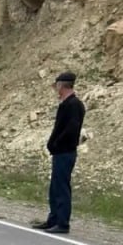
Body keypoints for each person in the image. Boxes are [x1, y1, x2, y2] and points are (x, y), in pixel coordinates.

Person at [33, 72, 85, 234]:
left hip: (65, 151)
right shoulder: (66, 104)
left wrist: (56, 143)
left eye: (57, 85)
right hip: (60, 151)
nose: (56, 89)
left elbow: (71, 130)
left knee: (61, 187)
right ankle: (53, 219)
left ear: (62, 85)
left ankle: (62, 223)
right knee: (55, 187)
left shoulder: (74, 104)